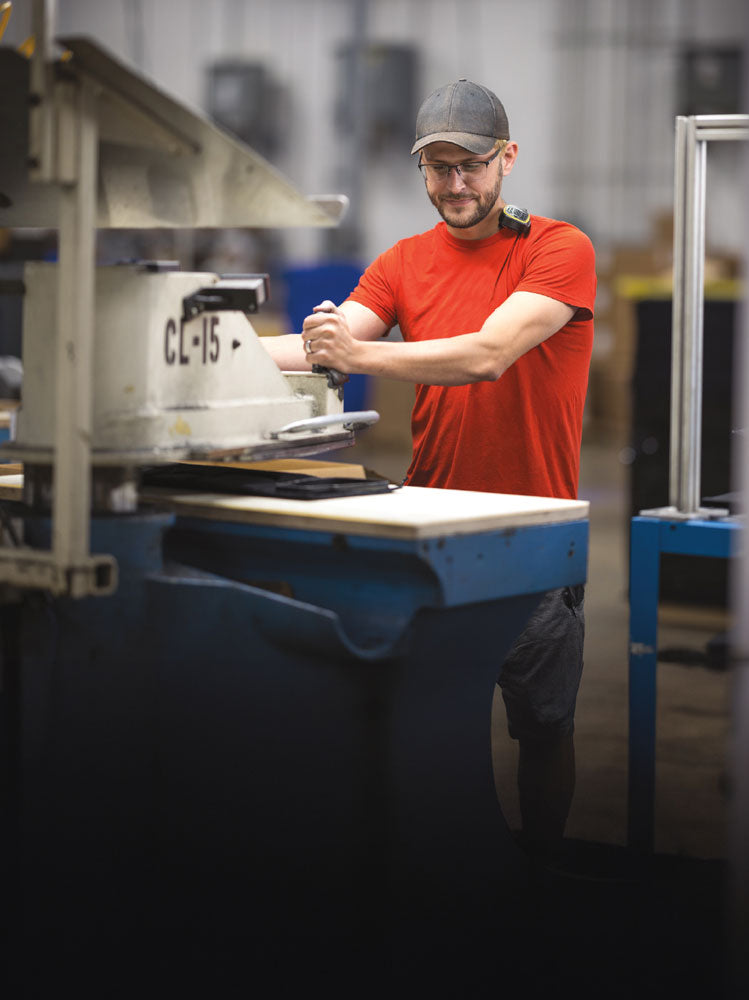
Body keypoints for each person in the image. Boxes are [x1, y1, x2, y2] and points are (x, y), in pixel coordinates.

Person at [263, 79, 595, 863]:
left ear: (507, 159)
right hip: (429, 532)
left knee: (543, 726)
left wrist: (356, 356)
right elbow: (326, 342)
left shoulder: (557, 248)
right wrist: (189, 352)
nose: (455, 185)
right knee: (429, 719)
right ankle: (450, 866)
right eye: (438, 168)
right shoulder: (403, 261)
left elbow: (488, 354)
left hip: (532, 536)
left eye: (471, 166)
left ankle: (541, 872)